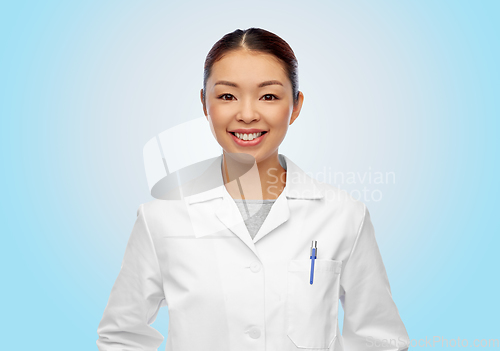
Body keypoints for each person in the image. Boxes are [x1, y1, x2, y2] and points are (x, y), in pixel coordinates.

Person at [96, 27, 410, 351]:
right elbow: (122, 337)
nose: (247, 114)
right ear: (205, 103)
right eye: (227, 96)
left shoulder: (343, 216)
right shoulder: (160, 218)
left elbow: (380, 339)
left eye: (269, 96)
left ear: (296, 105)